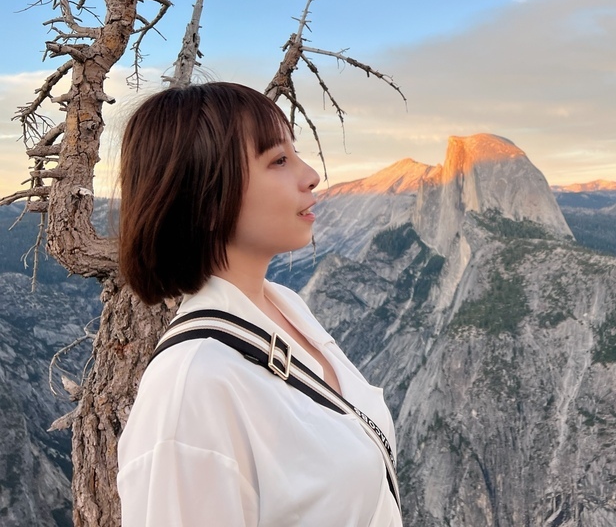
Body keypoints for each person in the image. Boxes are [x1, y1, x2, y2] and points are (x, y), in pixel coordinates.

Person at [116, 82, 402, 527]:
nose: (311, 175)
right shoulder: (192, 388)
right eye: (279, 161)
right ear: (208, 199)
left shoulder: (285, 305)